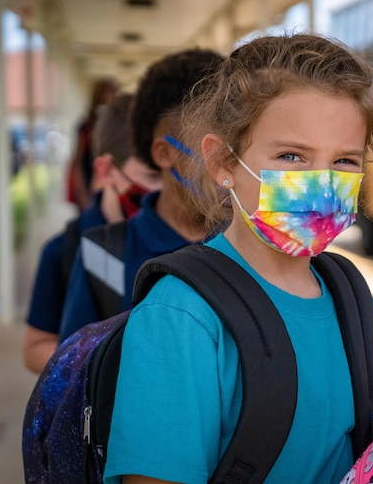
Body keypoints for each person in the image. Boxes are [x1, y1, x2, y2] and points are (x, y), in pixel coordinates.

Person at [102, 33, 373, 483]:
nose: (320, 182)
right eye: (291, 155)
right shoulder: (179, 316)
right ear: (224, 162)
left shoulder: (350, 295)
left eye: (344, 161)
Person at [56, 48, 226, 343]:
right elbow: (76, 372)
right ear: (163, 153)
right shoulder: (103, 253)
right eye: (207, 150)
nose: (225, 165)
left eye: (234, 147)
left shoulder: (251, 245)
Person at [22, 92, 163, 374]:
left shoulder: (191, 240)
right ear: (107, 170)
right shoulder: (64, 249)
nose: (169, 190)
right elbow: (35, 348)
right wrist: (103, 363)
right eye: (153, 176)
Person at [67, 78, 117, 212]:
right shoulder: (86, 127)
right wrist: (82, 193)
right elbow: (78, 161)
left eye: (113, 92)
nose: (110, 97)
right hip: (88, 182)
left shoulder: (116, 126)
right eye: (106, 92)